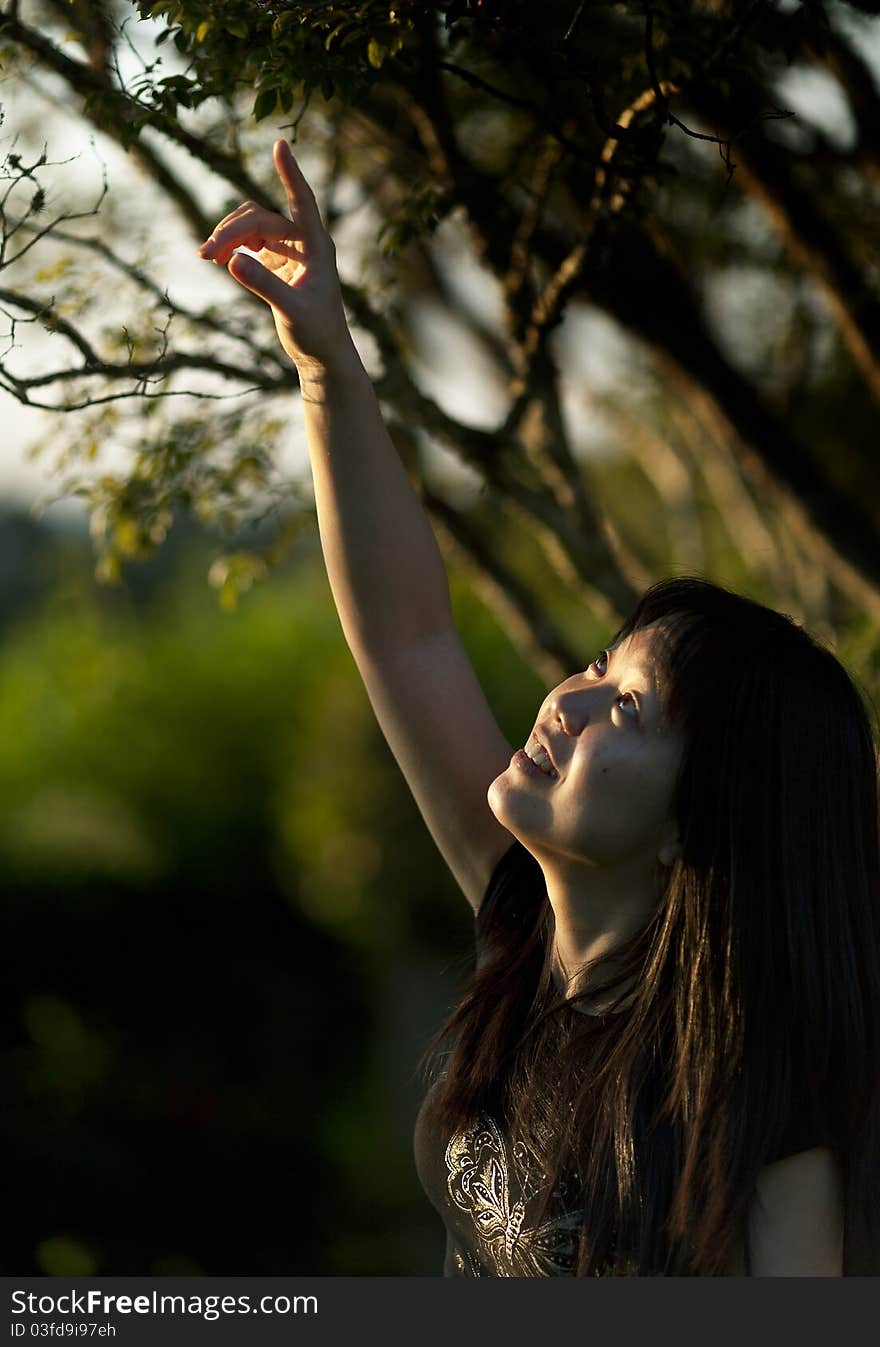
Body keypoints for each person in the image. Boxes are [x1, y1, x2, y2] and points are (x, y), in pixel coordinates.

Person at [198, 139, 880, 1277]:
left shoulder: (757, 1101)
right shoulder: (523, 931)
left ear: (692, 826)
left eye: (634, 704)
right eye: (598, 663)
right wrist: (325, 368)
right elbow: (407, 637)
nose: (574, 696)